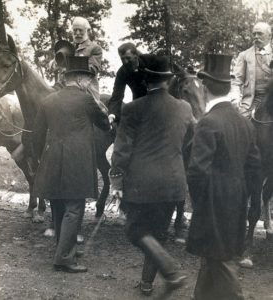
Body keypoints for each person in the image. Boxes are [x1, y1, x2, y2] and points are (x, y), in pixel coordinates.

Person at [110, 55, 193, 296]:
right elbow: (189, 140)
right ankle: (147, 283)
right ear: (167, 81)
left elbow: (122, 148)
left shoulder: (133, 108)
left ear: (146, 80)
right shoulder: (185, 108)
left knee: (135, 230)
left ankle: (171, 271)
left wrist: (116, 180)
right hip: (174, 183)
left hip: (141, 184)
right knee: (158, 233)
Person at [186, 54, 262, 300]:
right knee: (213, 256)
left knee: (222, 260)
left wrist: (200, 202)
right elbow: (255, 166)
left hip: (212, 201)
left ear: (205, 88)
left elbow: (197, 171)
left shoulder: (208, 123)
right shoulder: (244, 123)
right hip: (237, 199)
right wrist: (246, 195)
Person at [32, 57, 110, 273]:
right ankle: (64, 258)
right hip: (77, 160)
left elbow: (36, 136)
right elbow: (104, 125)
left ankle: (63, 248)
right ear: (78, 78)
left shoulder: (48, 101)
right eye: (87, 77)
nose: (88, 82)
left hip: (52, 159)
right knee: (74, 207)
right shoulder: (86, 100)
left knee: (58, 204)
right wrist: (109, 116)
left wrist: (40, 159)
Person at [232, 21, 272, 118]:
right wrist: (235, 98)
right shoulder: (244, 55)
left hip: (271, 99)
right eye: (254, 34)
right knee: (241, 125)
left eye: (260, 33)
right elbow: (236, 81)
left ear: (269, 36)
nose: (256, 36)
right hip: (252, 102)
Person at [71, 16, 107, 115]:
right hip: (67, 86)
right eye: (75, 30)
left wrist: (72, 62)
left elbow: (93, 69)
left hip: (87, 88)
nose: (77, 33)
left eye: (80, 30)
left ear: (87, 31)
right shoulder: (68, 48)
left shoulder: (95, 48)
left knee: (96, 112)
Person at [107, 42, 148, 126]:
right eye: (122, 59)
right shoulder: (122, 72)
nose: (125, 62)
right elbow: (117, 95)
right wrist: (112, 115)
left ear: (136, 56)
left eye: (128, 58)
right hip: (138, 104)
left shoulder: (149, 63)